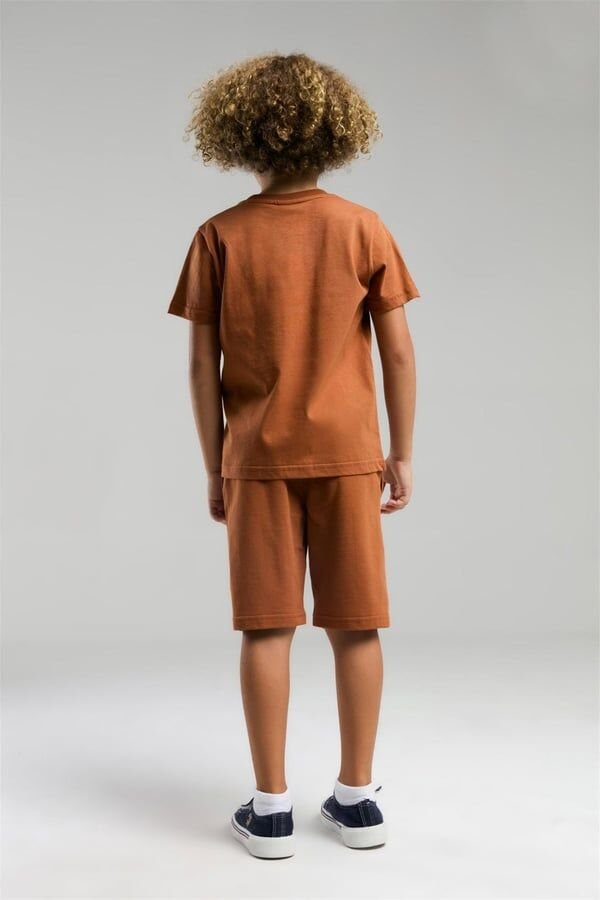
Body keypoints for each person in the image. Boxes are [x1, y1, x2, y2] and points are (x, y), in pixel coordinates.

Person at [167, 52, 420, 859]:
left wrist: (216, 464)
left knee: (266, 629)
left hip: (258, 459)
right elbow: (398, 353)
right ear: (335, 132)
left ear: (238, 134)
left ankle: (270, 810)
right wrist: (401, 453)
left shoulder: (219, 236)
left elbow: (201, 368)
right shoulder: (363, 227)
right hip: (349, 456)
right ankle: (357, 800)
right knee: (357, 626)